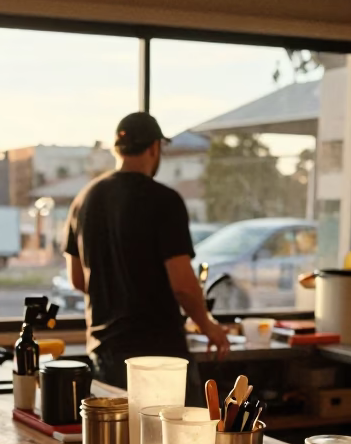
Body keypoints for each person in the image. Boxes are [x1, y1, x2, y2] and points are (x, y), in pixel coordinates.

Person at [64, 111, 229, 392]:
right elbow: (183, 286)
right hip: (158, 356)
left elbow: (78, 280)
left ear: (118, 149)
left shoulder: (84, 200)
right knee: (187, 435)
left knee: (120, 436)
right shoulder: (164, 201)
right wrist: (208, 325)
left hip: (105, 354)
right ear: (155, 147)